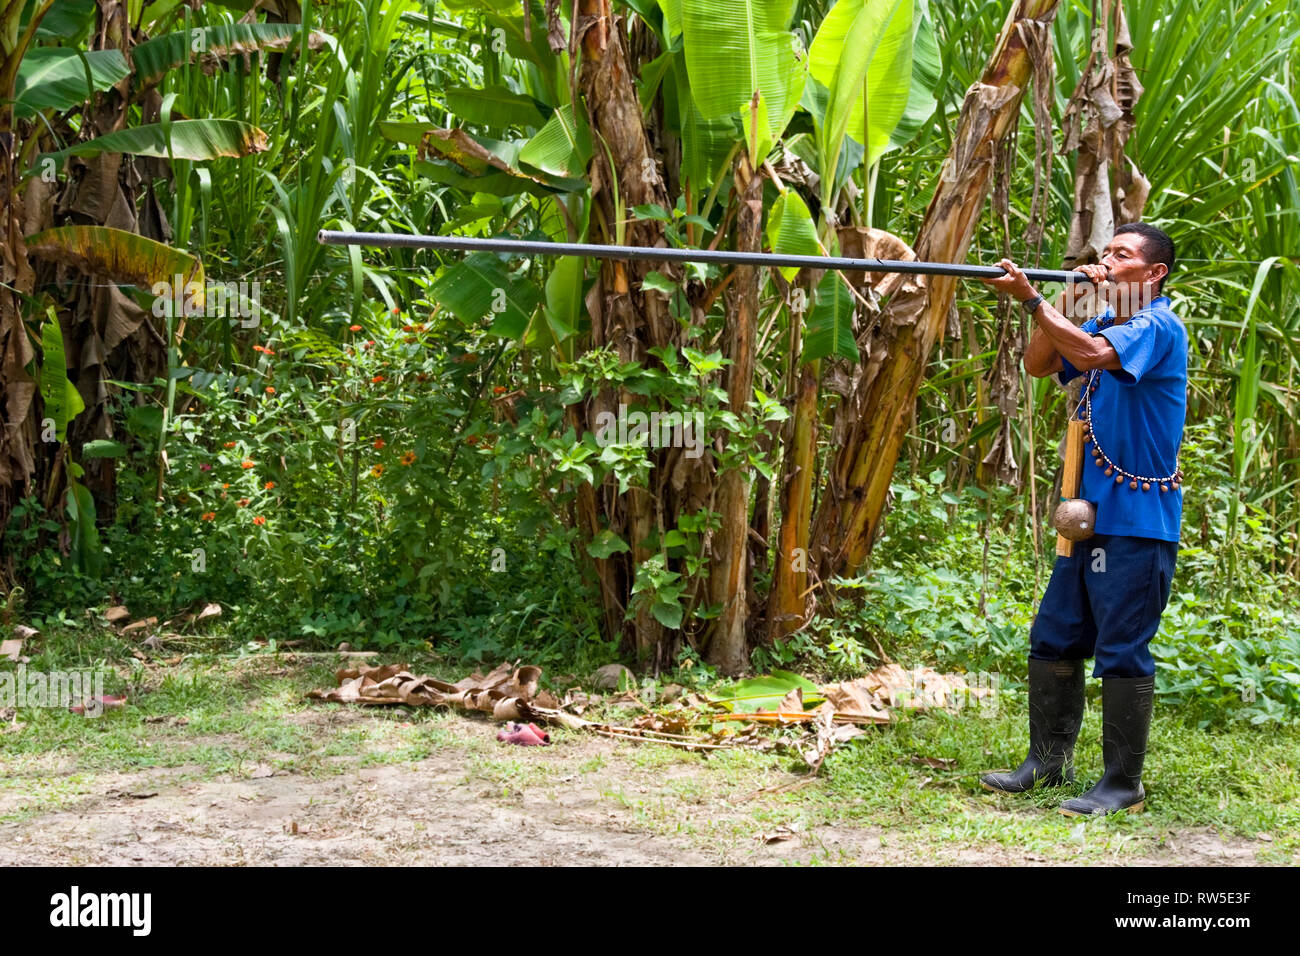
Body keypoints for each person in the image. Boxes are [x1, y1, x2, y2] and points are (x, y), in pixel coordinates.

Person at [976, 223, 1186, 815]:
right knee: (1055, 636)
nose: (1108, 260)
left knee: (1121, 649)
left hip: (1138, 522)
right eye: (1107, 251)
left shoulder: (1157, 326)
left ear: (1153, 273)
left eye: (1124, 254)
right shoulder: (1104, 322)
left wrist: (1033, 299)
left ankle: (1123, 784)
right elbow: (1041, 362)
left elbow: (1092, 356)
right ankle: (1046, 763)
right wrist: (1068, 295)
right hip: (1088, 521)